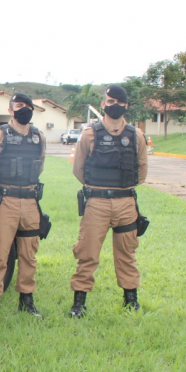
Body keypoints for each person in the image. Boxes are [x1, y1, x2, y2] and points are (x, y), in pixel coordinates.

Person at [68, 85, 148, 317]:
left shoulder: (136, 135)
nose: (115, 106)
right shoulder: (90, 134)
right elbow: (79, 168)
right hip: (97, 202)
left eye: (119, 102)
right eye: (110, 101)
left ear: (126, 106)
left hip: (125, 203)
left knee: (127, 253)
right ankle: (79, 303)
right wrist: (98, 188)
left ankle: (130, 300)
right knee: (87, 252)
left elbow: (141, 170)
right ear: (103, 104)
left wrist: (122, 188)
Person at [0, 93, 46, 321]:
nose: (24, 109)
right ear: (10, 110)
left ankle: (26, 301)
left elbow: (40, 166)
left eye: (28, 106)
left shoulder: (39, 137)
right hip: (4, 201)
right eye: (19, 106)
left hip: (30, 200)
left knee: (29, 254)